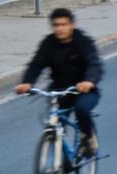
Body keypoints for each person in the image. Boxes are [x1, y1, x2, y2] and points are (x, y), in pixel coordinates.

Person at [15, 8, 103, 156]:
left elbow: (93, 64)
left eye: (63, 24)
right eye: (56, 25)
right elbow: (36, 64)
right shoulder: (48, 43)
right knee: (53, 124)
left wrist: (89, 81)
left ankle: (88, 137)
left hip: (83, 90)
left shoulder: (83, 42)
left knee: (81, 109)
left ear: (72, 25)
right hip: (59, 90)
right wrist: (27, 82)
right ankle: (62, 162)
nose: (59, 28)